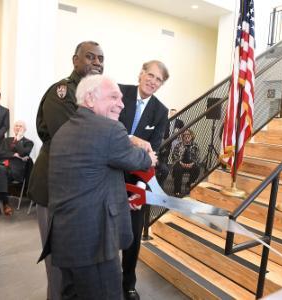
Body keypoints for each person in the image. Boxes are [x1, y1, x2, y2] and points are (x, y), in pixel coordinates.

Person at [39, 74, 157, 299]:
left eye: (121, 98)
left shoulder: (65, 130)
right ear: (90, 99)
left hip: (67, 237)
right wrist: (150, 157)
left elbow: (88, 178)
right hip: (96, 244)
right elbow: (138, 160)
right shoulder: (109, 130)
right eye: (114, 97)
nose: (122, 104)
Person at [29, 40, 104, 300]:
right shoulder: (61, 92)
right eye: (90, 57)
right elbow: (72, 141)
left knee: (75, 266)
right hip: (54, 191)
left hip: (81, 195)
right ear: (75, 60)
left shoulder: (97, 97)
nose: (97, 63)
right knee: (58, 267)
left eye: (100, 59)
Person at [118, 60, 169, 300]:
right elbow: (107, 127)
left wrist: (139, 189)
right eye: (150, 75)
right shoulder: (119, 92)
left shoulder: (161, 112)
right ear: (141, 74)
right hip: (109, 174)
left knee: (133, 234)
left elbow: (153, 153)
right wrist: (132, 138)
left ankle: (128, 283)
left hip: (137, 181)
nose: (153, 81)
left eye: (158, 79)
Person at [0, 121, 33, 218]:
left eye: (20, 126)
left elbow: (23, 153)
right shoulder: (6, 140)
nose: (18, 127)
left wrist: (18, 139)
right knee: (1, 171)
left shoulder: (28, 143)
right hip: (2, 166)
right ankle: (5, 204)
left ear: (24, 129)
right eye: (16, 126)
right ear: (13, 128)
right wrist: (14, 154)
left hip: (15, 170)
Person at [172, 129, 201, 196]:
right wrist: (181, 163)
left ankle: (189, 184)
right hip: (180, 163)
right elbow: (174, 156)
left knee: (197, 169)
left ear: (191, 136)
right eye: (185, 135)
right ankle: (177, 190)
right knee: (178, 169)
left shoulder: (195, 145)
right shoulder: (178, 145)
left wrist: (192, 163)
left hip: (191, 163)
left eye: (188, 134)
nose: (187, 136)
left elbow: (198, 158)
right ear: (183, 136)